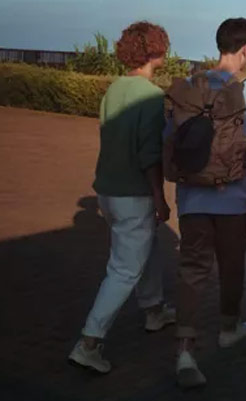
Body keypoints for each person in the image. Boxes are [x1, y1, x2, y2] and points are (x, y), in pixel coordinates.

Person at [172, 17, 246, 388]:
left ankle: (185, 349)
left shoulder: (189, 86)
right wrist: (243, 171)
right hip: (233, 198)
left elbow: (173, 140)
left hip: (191, 198)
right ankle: (228, 329)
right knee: (231, 265)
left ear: (220, 45)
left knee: (192, 269)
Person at [68, 21, 175, 374]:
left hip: (108, 190)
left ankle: (154, 310)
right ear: (156, 51)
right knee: (124, 268)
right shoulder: (152, 97)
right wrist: (159, 196)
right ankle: (89, 342)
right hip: (134, 192)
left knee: (146, 250)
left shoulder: (114, 89)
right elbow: (149, 154)